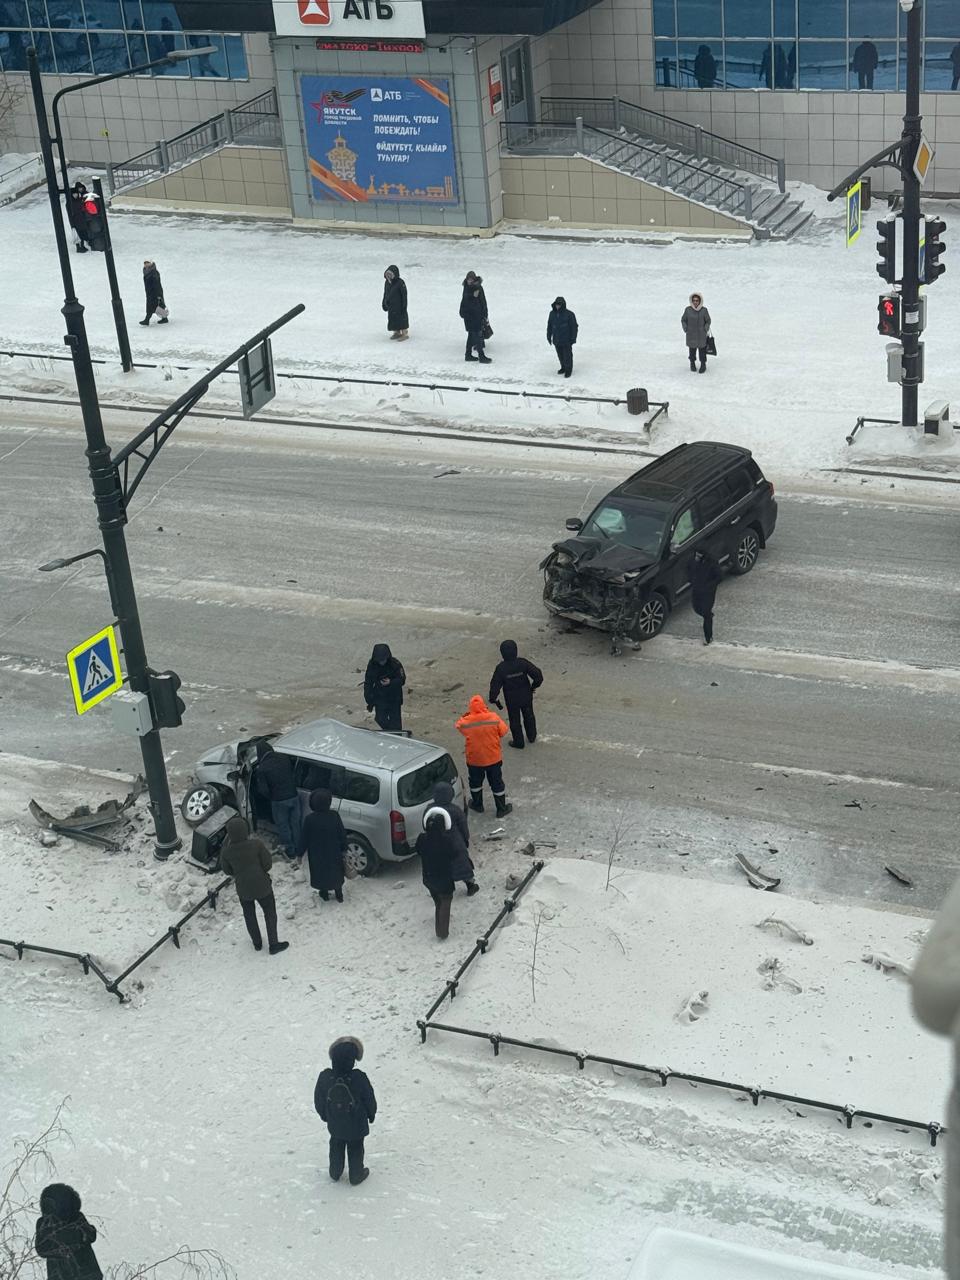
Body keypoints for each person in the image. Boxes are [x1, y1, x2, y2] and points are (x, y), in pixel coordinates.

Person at [220, 815, 289, 954]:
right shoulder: (256, 845)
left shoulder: (226, 852)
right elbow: (268, 864)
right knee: (270, 913)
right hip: (263, 885)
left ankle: (257, 943)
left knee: (249, 915)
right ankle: (273, 944)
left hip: (243, 889)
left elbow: (227, 870)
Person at [314, 1036, 377, 1186]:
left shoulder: (325, 1076)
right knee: (356, 1148)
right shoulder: (359, 1077)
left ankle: (335, 1172)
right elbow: (369, 1098)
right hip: (357, 1125)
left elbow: (319, 1100)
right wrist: (371, 1114)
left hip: (335, 1123)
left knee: (336, 1145)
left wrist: (325, 1115)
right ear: (353, 1060)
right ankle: (356, 1174)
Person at [455, 694, 512, 816]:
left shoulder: (467, 721)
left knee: (475, 783)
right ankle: (501, 809)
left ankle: (478, 804)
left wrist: (468, 715)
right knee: (497, 783)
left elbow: (458, 725)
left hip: (475, 759)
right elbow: (503, 731)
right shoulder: (493, 717)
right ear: (484, 706)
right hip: (493, 758)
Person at [35, 1184, 102, 1280]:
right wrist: (72, 1238)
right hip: (60, 1276)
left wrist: (65, 1238)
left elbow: (90, 1235)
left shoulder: (76, 1217)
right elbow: (42, 1249)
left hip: (87, 1274)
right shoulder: (44, 1222)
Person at [489, 639, 543, 750]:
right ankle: (531, 736)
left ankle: (519, 742)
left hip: (512, 699)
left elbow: (495, 685)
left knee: (515, 720)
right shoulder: (523, 663)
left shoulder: (501, 668)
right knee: (529, 716)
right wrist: (533, 687)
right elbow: (538, 676)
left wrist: (493, 698)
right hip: (526, 696)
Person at [299, 788, 347, 902]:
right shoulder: (334, 816)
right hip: (334, 851)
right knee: (336, 872)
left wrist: (299, 854)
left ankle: (324, 893)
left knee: (321, 873)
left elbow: (304, 838)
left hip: (317, 854)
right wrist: (344, 848)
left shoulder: (310, 819)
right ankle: (339, 894)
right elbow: (342, 833)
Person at [430, 780, 478, 895]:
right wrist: (465, 839)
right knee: (462, 865)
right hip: (455, 843)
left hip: (437, 844)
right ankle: (470, 885)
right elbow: (463, 827)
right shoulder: (455, 810)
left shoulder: (430, 809)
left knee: (442, 866)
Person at [256, 741, 301, 859]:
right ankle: (300, 847)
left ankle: (290, 850)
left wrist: (271, 797)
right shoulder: (284, 758)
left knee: (283, 826)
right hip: (294, 796)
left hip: (279, 800)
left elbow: (263, 790)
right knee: (296, 824)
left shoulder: (262, 768)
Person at [416, 808, 457, 937]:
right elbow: (454, 854)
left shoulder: (422, 838)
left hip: (428, 877)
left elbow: (418, 850)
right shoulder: (446, 840)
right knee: (445, 900)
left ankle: (439, 918)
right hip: (444, 878)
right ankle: (442, 932)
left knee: (438, 900)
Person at [363, 643, 406, 731]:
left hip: (394, 697)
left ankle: (395, 734)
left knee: (396, 723)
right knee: (380, 719)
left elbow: (402, 679)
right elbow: (368, 682)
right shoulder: (372, 666)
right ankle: (390, 732)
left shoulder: (395, 664)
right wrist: (369, 699)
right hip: (380, 697)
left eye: (383, 659)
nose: (381, 662)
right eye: (379, 660)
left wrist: (391, 682)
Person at [688, 548, 721, 645]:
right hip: (696, 589)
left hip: (708, 592)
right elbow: (688, 569)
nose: (697, 557)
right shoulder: (693, 561)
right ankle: (708, 615)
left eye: (699, 556)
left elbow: (719, 576)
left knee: (706, 613)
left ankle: (708, 637)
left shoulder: (712, 562)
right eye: (696, 555)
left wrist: (709, 586)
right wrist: (691, 580)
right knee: (696, 608)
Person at [460, 274, 491, 364]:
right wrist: (473, 296)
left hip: (477, 315)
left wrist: (485, 314)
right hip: (469, 316)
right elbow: (465, 301)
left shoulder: (478, 288)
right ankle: (481, 356)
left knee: (471, 335)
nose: (469, 281)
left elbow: (483, 302)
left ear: (474, 279)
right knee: (476, 335)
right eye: (468, 279)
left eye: (471, 279)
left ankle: (468, 355)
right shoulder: (466, 287)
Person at [547, 296, 578, 378]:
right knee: (560, 355)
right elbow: (549, 325)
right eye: (557, 304)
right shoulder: (552, 314)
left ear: (563, 305)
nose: (558, 306)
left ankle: (568, 370)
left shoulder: (569, 314)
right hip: (557, 339)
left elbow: (574, 327)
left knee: (567, 356)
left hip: (566, 340)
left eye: (559, 304)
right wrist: (549, 336)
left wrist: (573, 338)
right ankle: (563, 367)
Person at [681, 292, 712, 373]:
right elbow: (683, 320)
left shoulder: (704, 310)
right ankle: (692, 363)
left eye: (697, 300)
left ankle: (703, 365)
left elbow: (708, 320)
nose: (695, 302)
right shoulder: (688, 310)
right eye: (694, 300)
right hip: (691, 335)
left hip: (701, 335)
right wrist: (686, 328)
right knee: (692, 351)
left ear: (700, 301)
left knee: (702, 352)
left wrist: (705, 328)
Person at [382, 265, 409, 340]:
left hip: (399, 306)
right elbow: (385, 293)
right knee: (393, 319)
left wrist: (404, 305)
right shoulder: (387, 282)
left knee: (401, 319)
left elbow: (404, 295)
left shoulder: (400, 282)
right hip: (391, 306)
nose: (389, 276)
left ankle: (404, 333)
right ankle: (396, 332)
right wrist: (384, 302)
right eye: (387, 274)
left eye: (390, 274)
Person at [140, 260, 167, 325]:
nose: (146, 264)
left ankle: (147, 320)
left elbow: (157, 284)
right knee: (155, 306)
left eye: (147, 263)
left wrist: (158, 294)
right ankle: (164, 318)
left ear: (150, 264)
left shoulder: (154, 273)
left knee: (154, 305)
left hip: (155, 292)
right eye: (145, 263)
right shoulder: (147, 271)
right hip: (150, 292)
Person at [67, 182, 90, 253]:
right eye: (74, 194)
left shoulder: (79, 200)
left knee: (82, 234)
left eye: (76, 193)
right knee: (77, 235)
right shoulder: (69, 203)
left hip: (81, 220)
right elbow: (70, 214)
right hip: (75, 221)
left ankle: (82, 246)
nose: (75, 195)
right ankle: (79, 247)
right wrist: (72, 224)